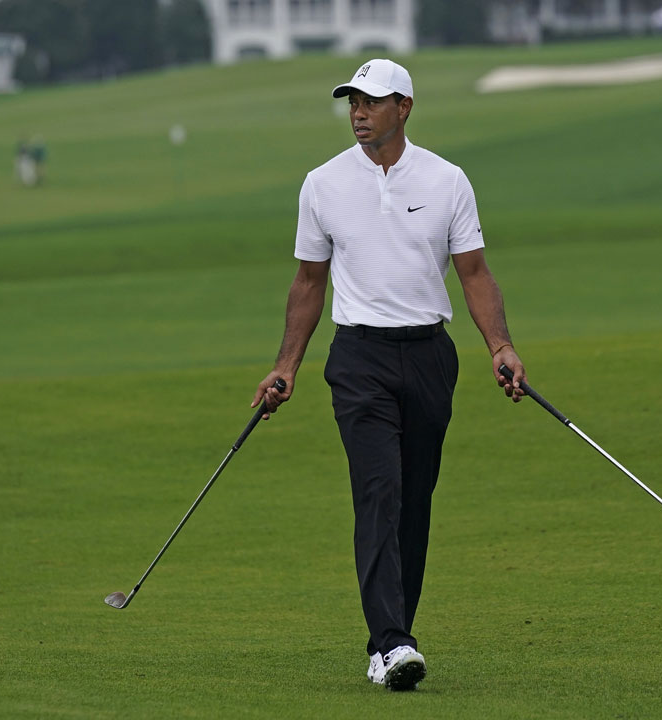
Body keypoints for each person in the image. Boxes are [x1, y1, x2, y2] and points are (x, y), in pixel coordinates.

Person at [250, 58, 528, 691]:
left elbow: (475, 274)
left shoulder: (448, 179)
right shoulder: (321, 184)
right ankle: (395, 642)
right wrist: (286, 366)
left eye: (371, 102)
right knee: (378, 491)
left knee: (413, 503)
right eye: (352, 101)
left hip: (431, 354)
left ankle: (388, 638)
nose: (357, 112)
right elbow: (308, 283)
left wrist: (501, 347)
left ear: (404, 107)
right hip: (359, 359)